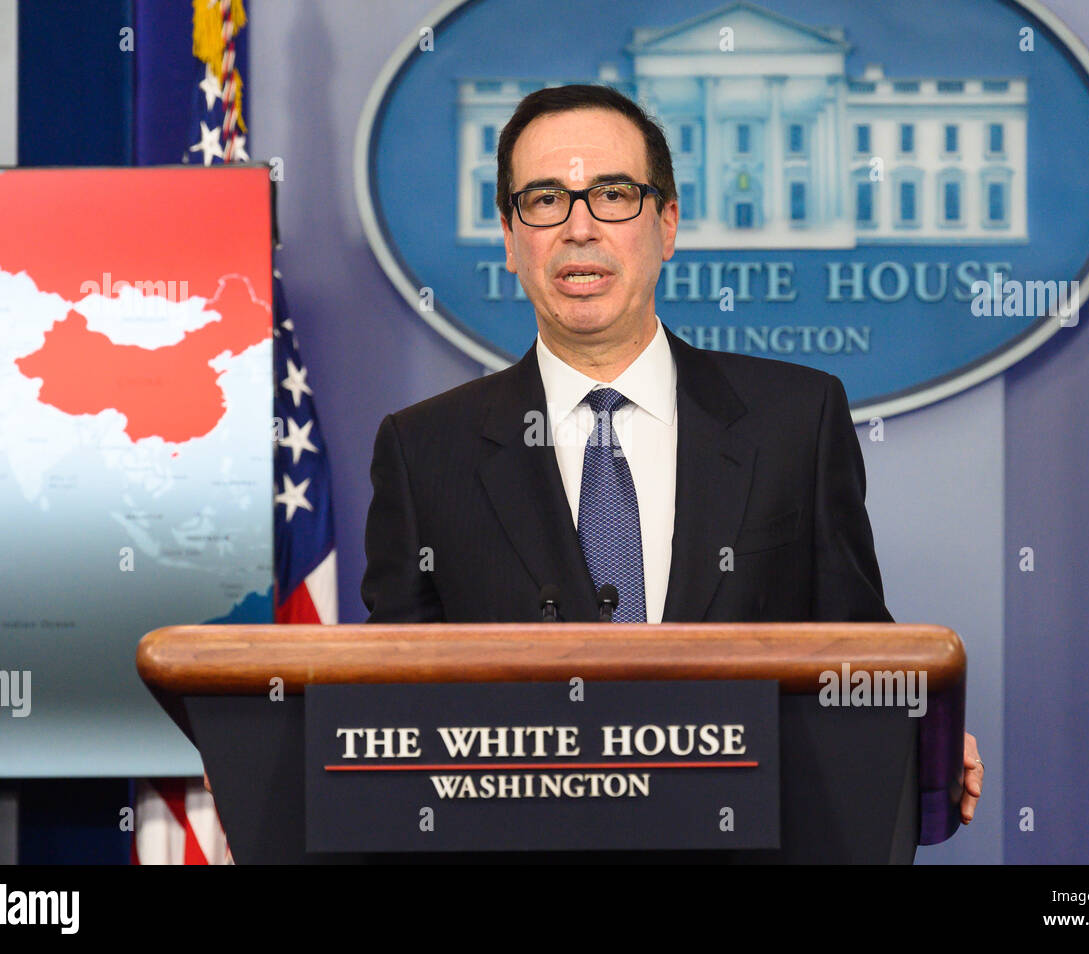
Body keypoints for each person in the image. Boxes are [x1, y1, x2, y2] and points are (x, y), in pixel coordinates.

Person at [361, 84, 983, 824]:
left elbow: (852, 651)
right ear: (509, 237)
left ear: (667, 224)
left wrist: (916, 737)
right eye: (544, 200)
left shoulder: (796, 421)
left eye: (614, 195)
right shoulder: (424, 449)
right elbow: (392, 703)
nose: (579, 228)